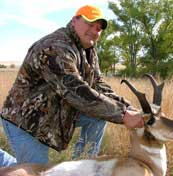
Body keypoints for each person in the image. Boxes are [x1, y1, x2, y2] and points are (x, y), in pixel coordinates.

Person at [0, 5, 144, 167]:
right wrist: (123, 115)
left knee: (99, 116)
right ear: (74, 21)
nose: (95, 31)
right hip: (25, 122)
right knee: (37, 172)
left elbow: (98, 86)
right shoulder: (55, 47)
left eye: (98, 28)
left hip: (52, 115)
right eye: (90, 24)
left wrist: (128, 108)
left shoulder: (87, 49)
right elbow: (76, 91)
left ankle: (81, 167)